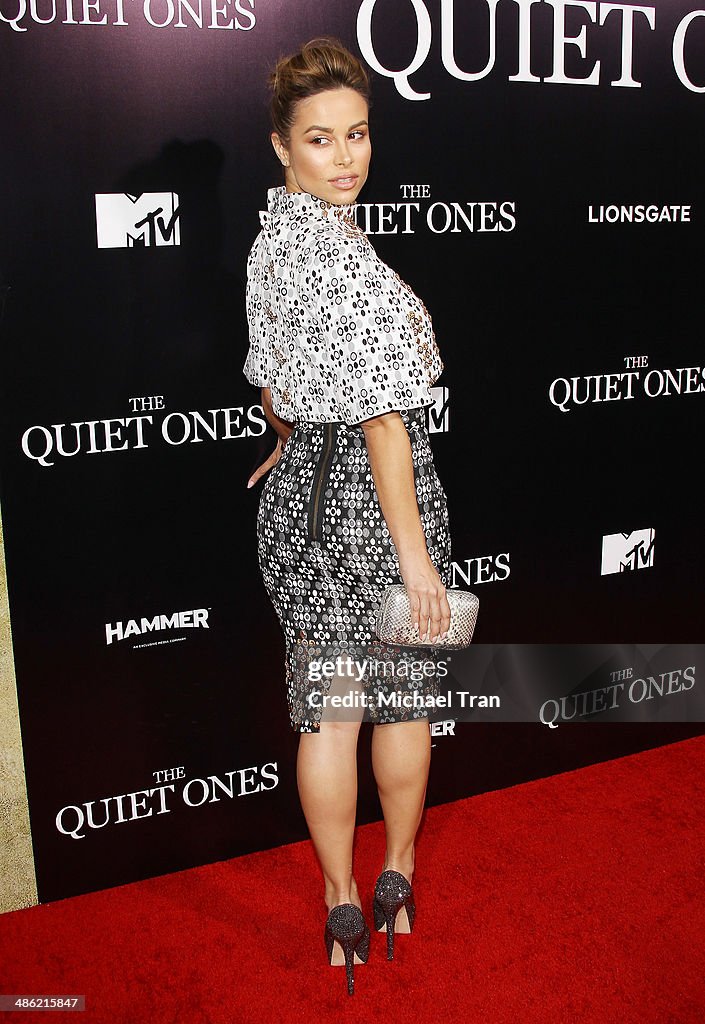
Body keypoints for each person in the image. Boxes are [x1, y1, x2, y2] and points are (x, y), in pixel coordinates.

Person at [243, 37, 452, 996]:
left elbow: (275, 392)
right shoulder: (349, 267)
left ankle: (338, 897)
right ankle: (395, 878)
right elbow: (383, 425)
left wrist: (290, 437)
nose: (346, 158)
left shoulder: (273, 238)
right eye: (320, 140)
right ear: (283, 146)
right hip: (375, 511)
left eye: (357, 135)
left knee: (328, 715)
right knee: (397, 700)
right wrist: (415, 566)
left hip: (298, 508)